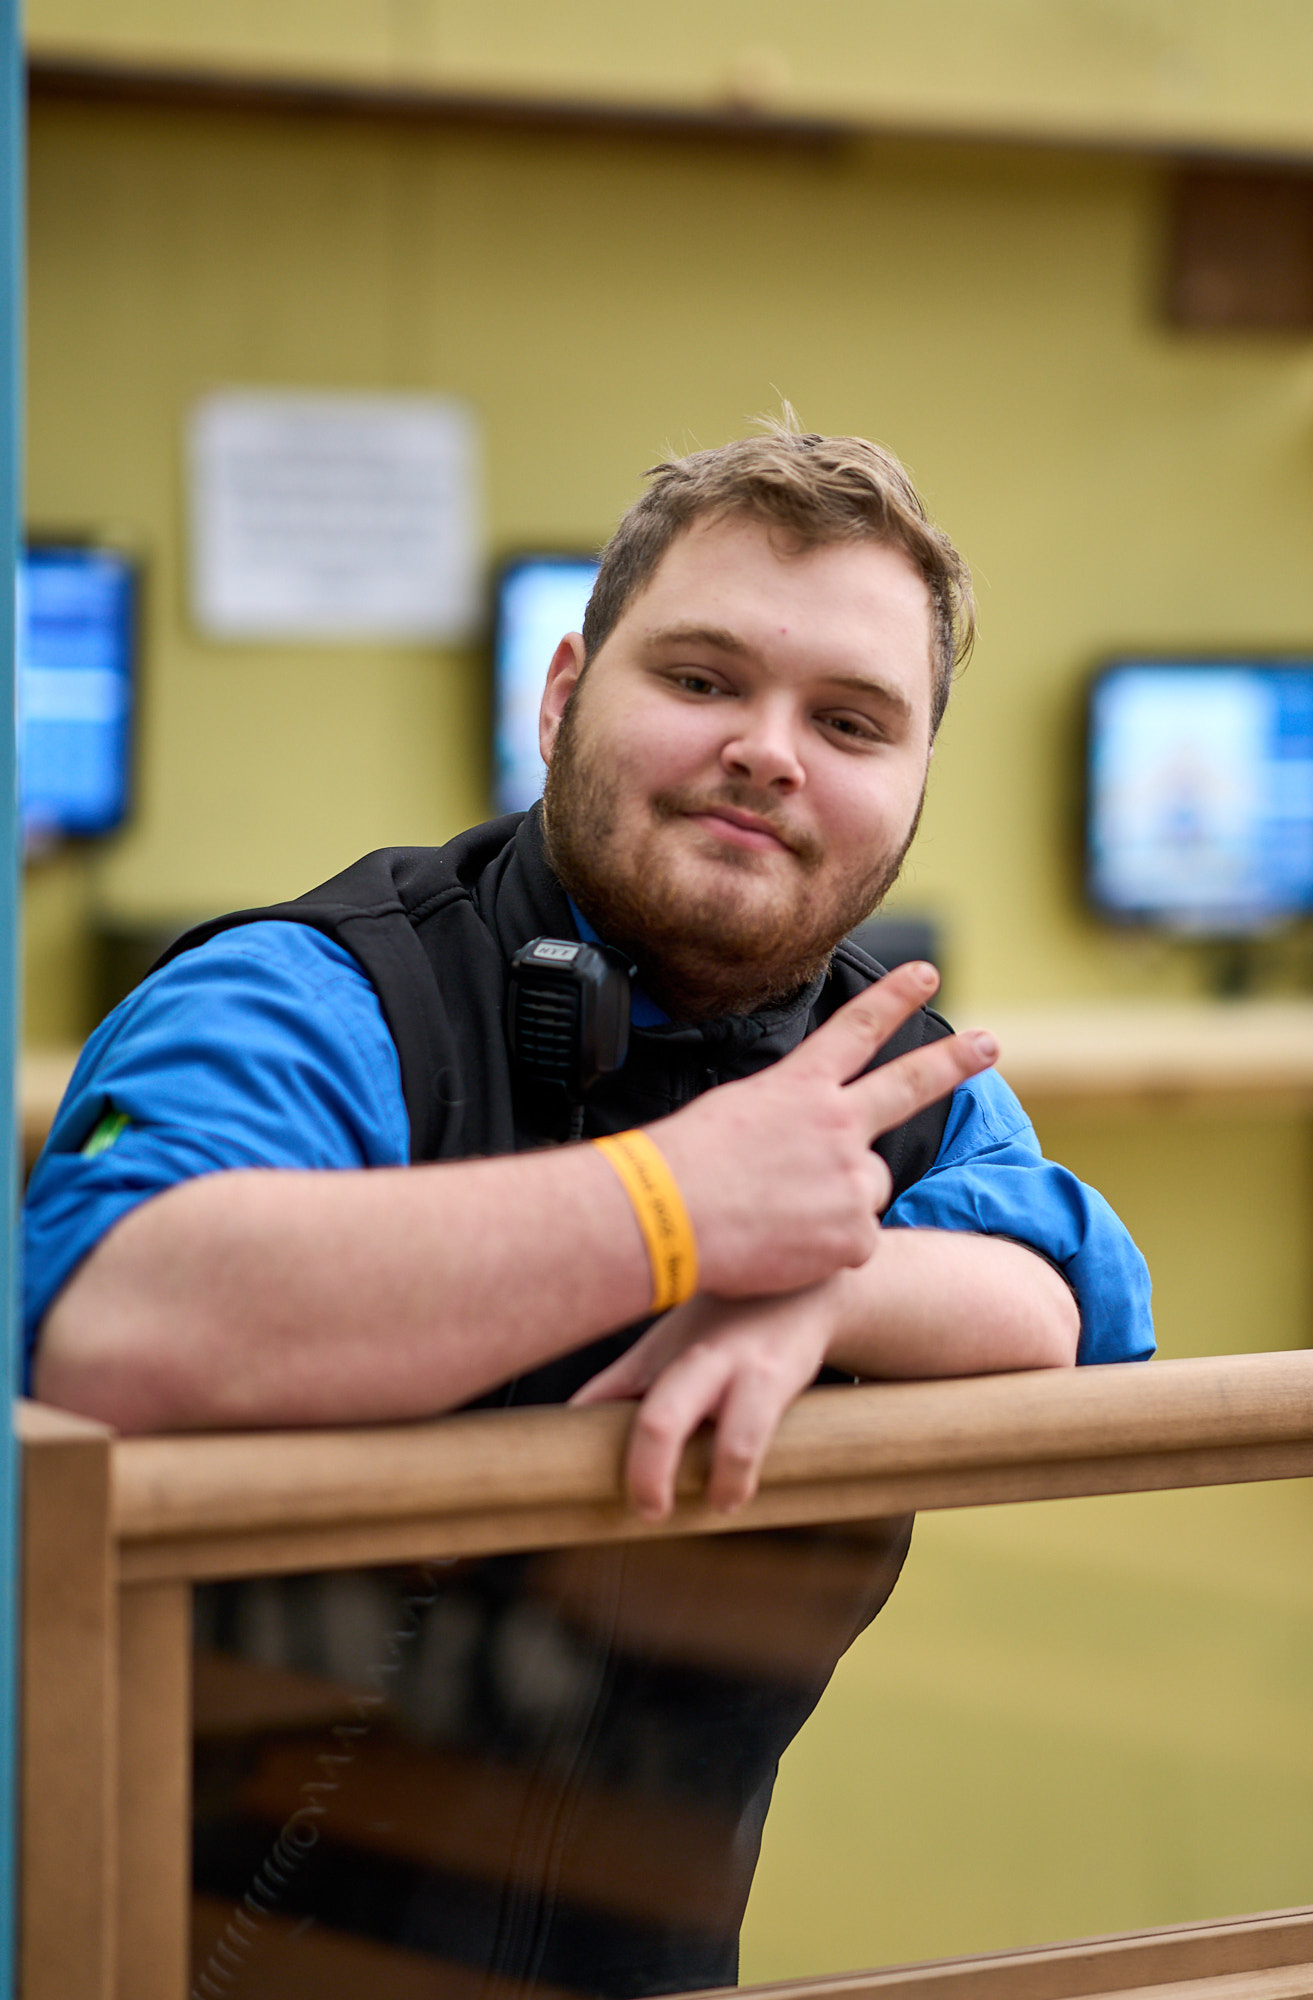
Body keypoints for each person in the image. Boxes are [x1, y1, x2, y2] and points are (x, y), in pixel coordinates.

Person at [25, 423, 1153, 1996]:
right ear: (560, 698)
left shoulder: (890, 1075)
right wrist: (681, 1207)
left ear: (910, 794)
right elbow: (119, 1331)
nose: (770, 749)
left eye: (850, 720)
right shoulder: (307, 999)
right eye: (700, 681)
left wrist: (826, 1282)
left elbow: (1075, 1301)